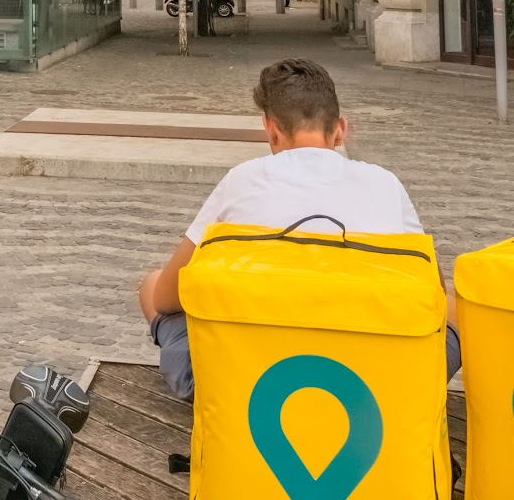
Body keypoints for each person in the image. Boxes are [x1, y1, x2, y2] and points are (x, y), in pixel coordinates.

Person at [138, 58, 460, 402]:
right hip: (378, 381)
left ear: (271, 129)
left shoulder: (242, 181)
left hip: (244, 383)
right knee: (455, 304)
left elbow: (166, 298)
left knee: (152, 284)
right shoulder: (386, 184)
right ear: (340, 129)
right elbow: (434, 296)